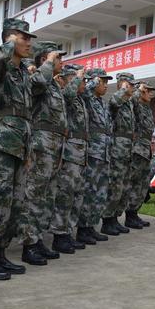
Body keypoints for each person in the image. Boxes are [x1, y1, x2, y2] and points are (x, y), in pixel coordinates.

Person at [0, 18, 47, 281]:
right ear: (9, 38)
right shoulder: (0, 68)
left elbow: (38, 89)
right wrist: (7, 45)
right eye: (23, 37)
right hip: (1, 141)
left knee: (14, 204)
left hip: (20, 142)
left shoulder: (21, 74)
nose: (29, 42)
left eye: (30, 38)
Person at [18, 41, 67, 266]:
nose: (61, 62)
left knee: (47, 197)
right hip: (41, 145)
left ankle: (37, 240)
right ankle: (28, 245)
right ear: (46, 59)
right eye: (58, 57)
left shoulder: (55, 85)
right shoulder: (38, 78)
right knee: (34, 196)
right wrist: (46, 63)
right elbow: (35, 85)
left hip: (55, 147)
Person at [49, 64, 95, 252]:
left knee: (77, 195)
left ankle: (68, 231)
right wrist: (76, 79)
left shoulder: (81, 99)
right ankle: (59, 235)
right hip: (69, 152)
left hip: (80, 152)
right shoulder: (64, 96)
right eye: (77, 79)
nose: (82, 82)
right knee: (65, 195)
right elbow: (68, 94)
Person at [76, 68, 113, 244]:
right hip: (92, 152)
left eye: (106, 82)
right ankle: (83, 229)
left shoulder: (103, 103)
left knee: (100, 192)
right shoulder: (88, 98)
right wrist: (92, 81)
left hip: (104, 152)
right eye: (102, 82)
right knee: (89, 191)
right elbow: (84, 92)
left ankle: (91, 226)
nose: (105, 86)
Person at [101, 72, 136, 236]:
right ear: (123, 84)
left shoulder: (128, 104)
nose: (133, 87)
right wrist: (122, 89)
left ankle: (115, 218)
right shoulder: (116, 100)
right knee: (114, 186)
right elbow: (114, 103)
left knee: (124, 187)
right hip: (117, 150)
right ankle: (107, 221)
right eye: (130, 84)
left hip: (127, 149)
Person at [124, 81, 155, 228]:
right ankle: (128, 215)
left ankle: (134, 213)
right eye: (148, 91)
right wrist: (138, 90)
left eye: (151, 91)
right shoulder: (135, 105)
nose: (151, 93)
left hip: (146, 149)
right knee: (133, 182)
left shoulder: (147, 108)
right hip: (137, 150)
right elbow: (132, 100)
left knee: (142, 184)